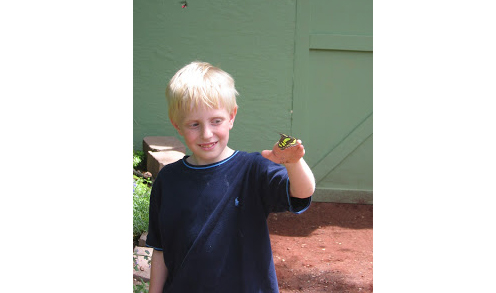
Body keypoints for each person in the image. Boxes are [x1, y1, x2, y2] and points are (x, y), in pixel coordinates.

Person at [146, 61, 315, 293]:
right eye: (194, 124)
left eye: (216, 121)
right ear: (178, 125)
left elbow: (302, 192)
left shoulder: (253, 169)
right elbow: (160, 248)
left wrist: (294, 163)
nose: (207, 133)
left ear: (232, 116)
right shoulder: (168, 180)